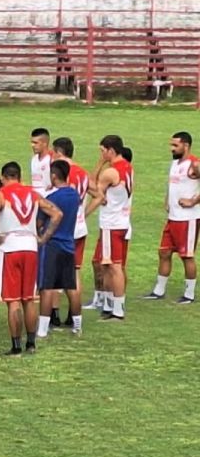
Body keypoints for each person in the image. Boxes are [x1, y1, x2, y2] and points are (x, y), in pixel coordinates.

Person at [0, 161, 62, 355]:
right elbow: (56, 213)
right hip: (30, 247)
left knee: (13, 300)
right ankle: (31, 343)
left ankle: (16, 346)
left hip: (10, 248)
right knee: (28, 299)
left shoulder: (0, 194)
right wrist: (43, 238)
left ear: (3, 177)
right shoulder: (34, 194)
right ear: (20, 177)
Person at [143, 131, 200, 303]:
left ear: (186, 146)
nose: (172, 148)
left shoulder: (194, 164)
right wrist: (167, 200)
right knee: (164, 252)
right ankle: (158, 291)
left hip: (188, 219)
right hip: (173, 217)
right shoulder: (175, 163)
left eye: (175, 145)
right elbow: (172, 185)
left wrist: (193, 201)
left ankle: (189, 294)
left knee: (186, 255)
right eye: (171, 145)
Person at [86, 135, 134, 320]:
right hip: (122, 221)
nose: (101, 154)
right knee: (106, 265)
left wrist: (99, 163)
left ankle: (117, 310)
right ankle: (108, 305)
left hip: (111, 224)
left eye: (102, 151)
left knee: (114, 267)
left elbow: (93, 189)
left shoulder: (110, 172)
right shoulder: (127, 167)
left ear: (111, 150)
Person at [37, 160, 82, 338]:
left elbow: (40, 222)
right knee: (71, 286)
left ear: (54, 176)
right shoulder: (74, 195)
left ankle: (42, 329)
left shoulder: (51, 198)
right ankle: (77, 325)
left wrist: (42, 236)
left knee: (47, 287)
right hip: (69, 244)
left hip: (52, 245)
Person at [49, 137, 89, 326]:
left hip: (64, 229)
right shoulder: (83, 173)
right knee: (75, 272)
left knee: (55, 272)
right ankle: (74, 316)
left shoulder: (64, 173)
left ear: (59, 152)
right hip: (80, 226)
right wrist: (84, 213)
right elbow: (98, 194)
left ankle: (54, 314)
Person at [29, 127, 52, 196]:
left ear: (45, 143)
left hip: (48, 197)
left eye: (35, 143)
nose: (32, 145)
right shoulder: (34, 159)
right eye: (32, 142)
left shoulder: (51, 159)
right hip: (36, 197)